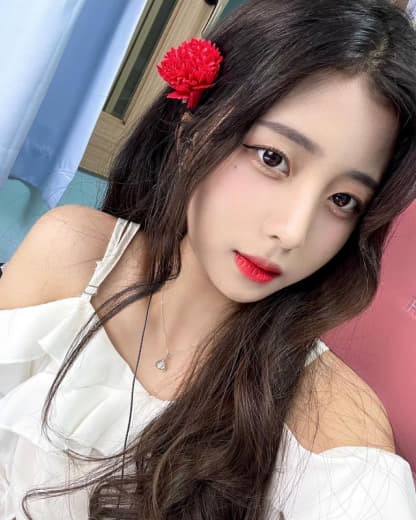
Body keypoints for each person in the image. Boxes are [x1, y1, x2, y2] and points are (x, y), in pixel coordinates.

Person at [1, 0, 416, 518]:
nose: (291, 231)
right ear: (192, 130)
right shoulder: (69, 254)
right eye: (273, 159)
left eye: (343, 200)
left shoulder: (335, 438)